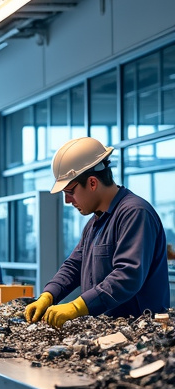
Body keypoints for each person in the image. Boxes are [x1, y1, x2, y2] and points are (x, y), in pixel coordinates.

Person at [25, 136, 170, 329]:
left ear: (92, 183)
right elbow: (75, 265)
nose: (68, 201)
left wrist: (77, 306)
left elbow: (127, 275)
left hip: (138, 331)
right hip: (109, 329)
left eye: (70, 191)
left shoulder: (135, 213)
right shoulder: (97, 221)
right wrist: (49, 294)